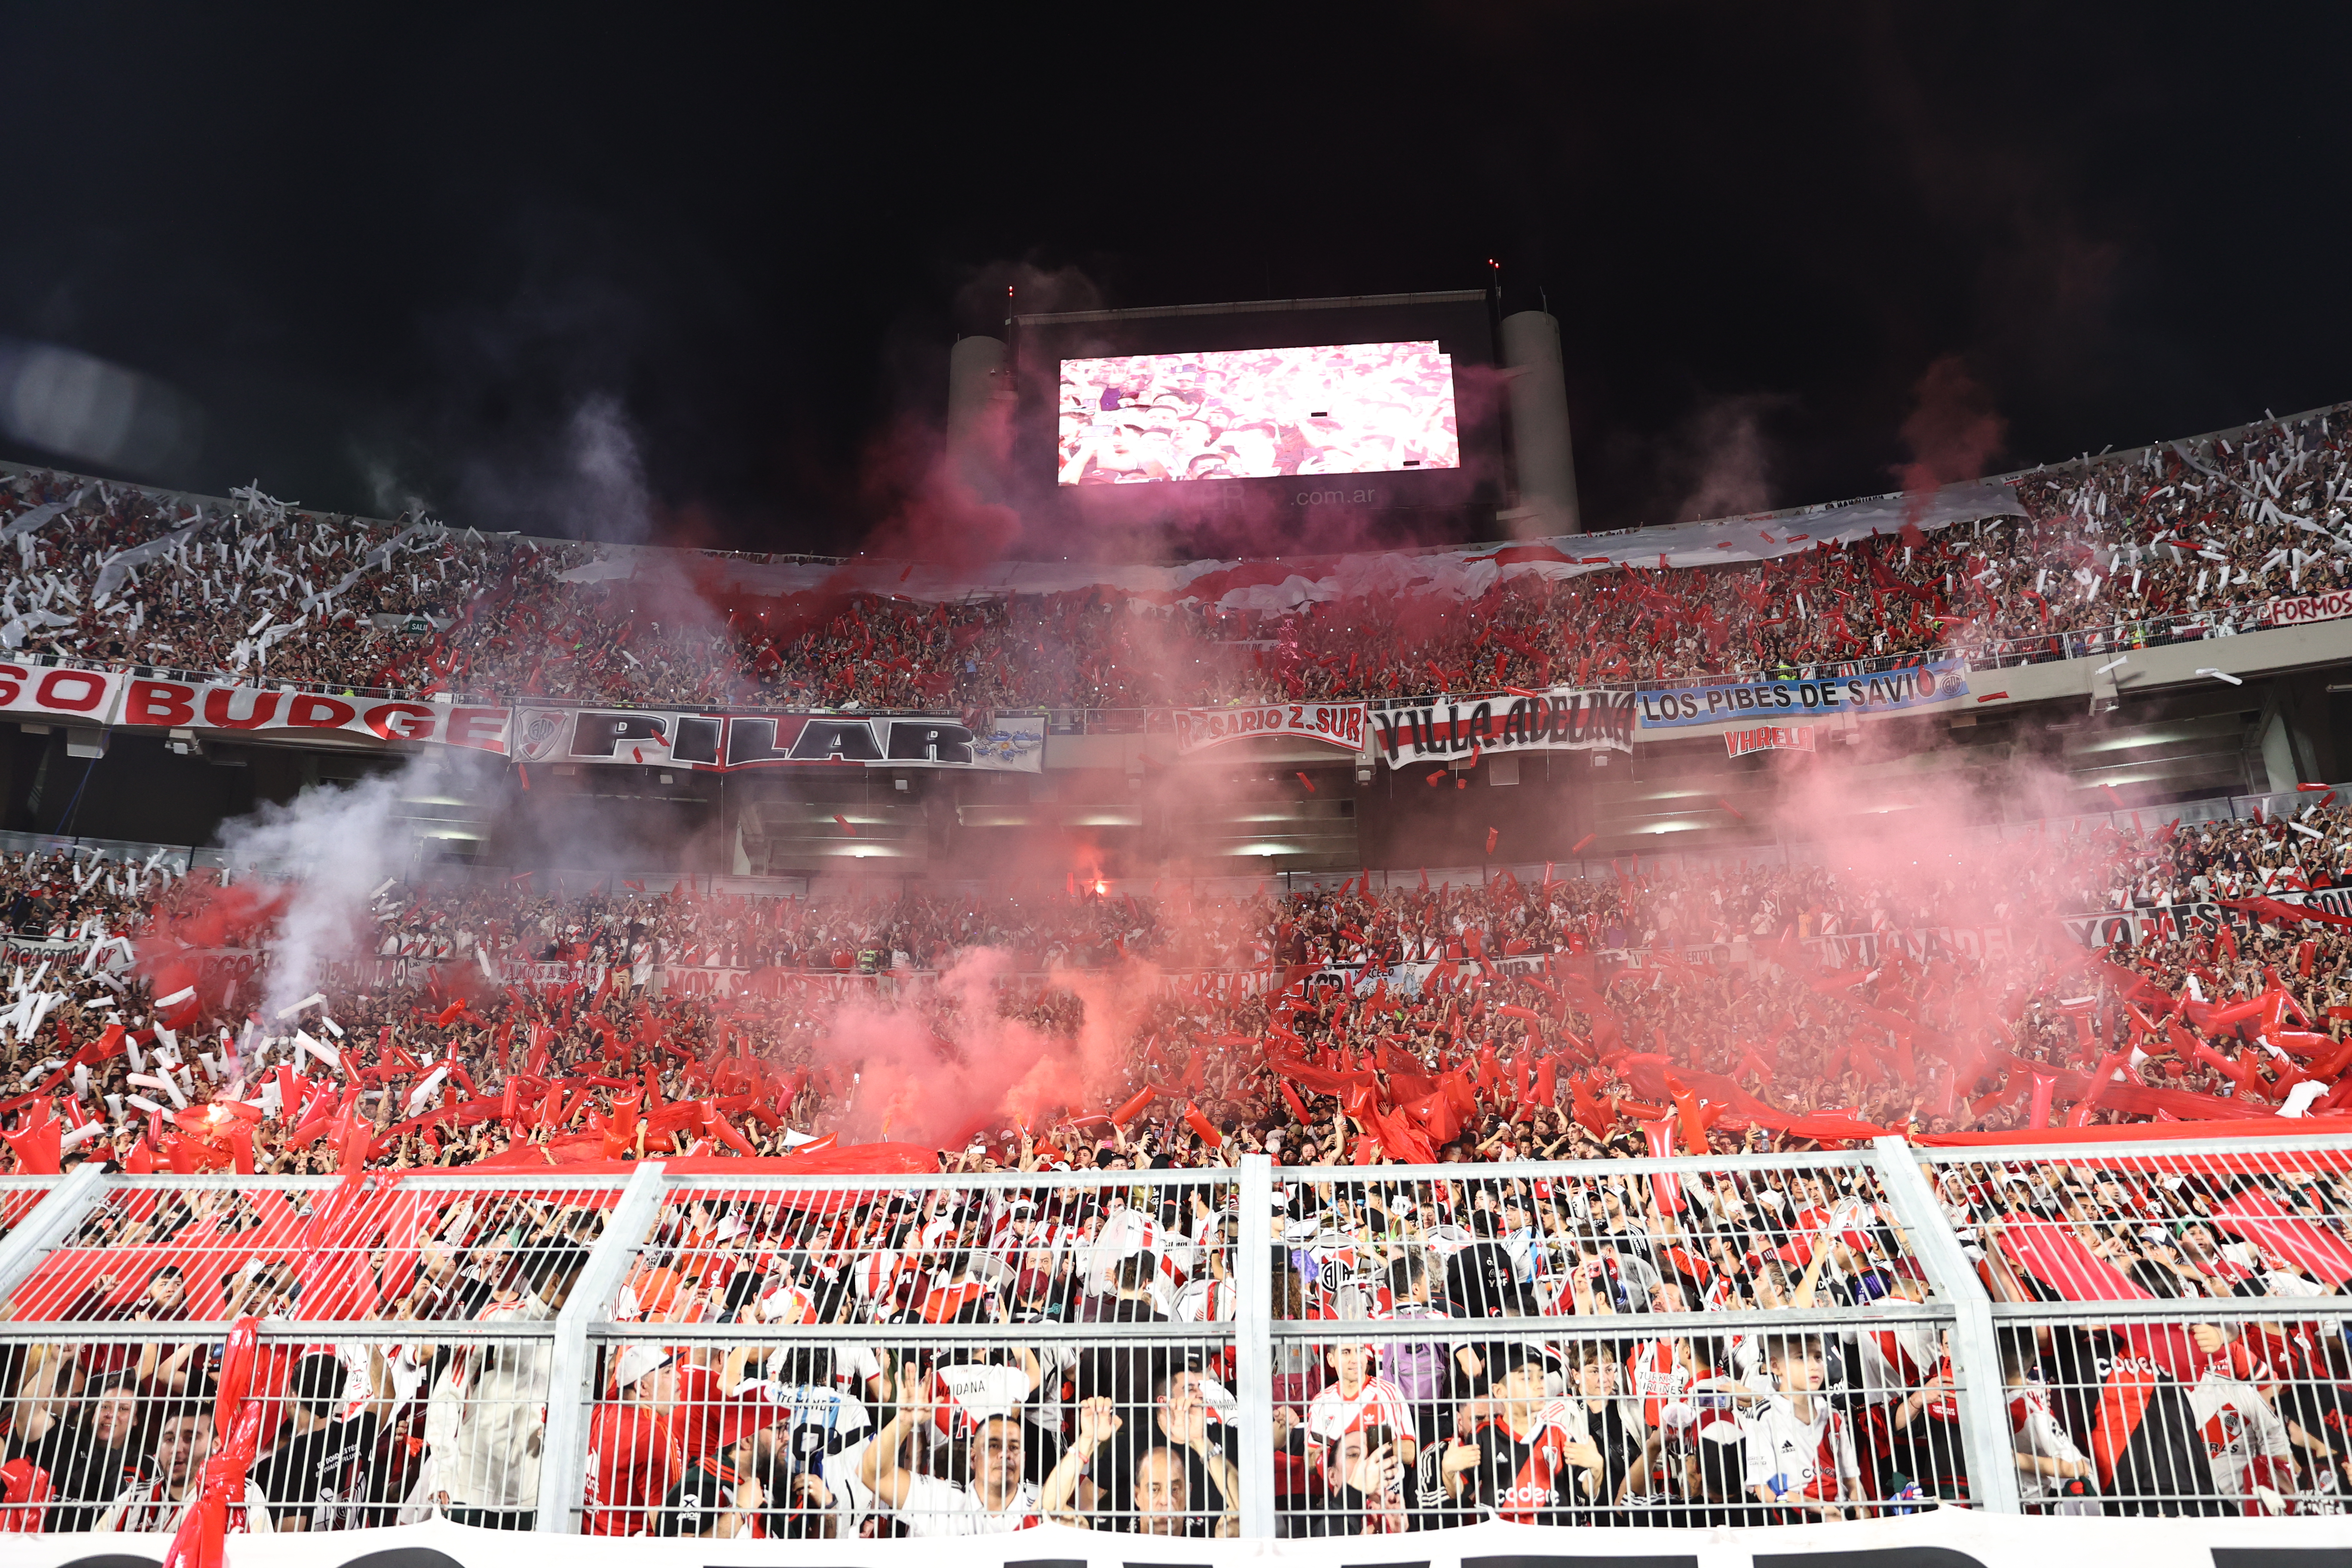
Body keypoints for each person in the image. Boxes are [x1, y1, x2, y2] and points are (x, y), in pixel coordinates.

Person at [859, 1354, 1042, 1534]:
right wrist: (904, 1421)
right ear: (973, 1456)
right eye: (993, 1445)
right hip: (941, 1482)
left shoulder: (1040, 1509)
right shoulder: (938, 1501)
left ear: (1024, 1458)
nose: (1005, 1454)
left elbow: (913, 1453)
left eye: (1014, 1447)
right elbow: (871, 1474)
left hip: (939, 1472)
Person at [1041, 1394, 1239, 1537]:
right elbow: (1049, 1511)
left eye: (1175, 1489)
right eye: (1154, 1489)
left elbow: (1245, 1514)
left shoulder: (1204, 1532)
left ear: (1188, 1493)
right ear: (1137, 1496)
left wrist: (1200, 1441)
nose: (1165, 1501)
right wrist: (1086, 1441)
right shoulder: (1113, 1532)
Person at [94, 1397, 274, 1536]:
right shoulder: (135, 1497)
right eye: (169, 1439)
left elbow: (258, 1557)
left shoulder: (240, 1494)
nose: (176, 1449)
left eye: (191, 1438)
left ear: (216, 1445)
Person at [1740, 1334, 1862, 1522]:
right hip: (1796, 1521)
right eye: (1801, 1357)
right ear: (1775, 1366)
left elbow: (1852, 1481)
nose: (1814, 1366)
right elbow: (1765, 1491)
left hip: (1842, 1516)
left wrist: (1864, 1514)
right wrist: (1823, 1509)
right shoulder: (1763, 1417)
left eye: (1818, 1357)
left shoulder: (1834, 1415)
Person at [584, 1343, 683, 1535]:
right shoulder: (653, 1435)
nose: (678, 1376)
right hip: (633, 1553)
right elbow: (668, 1523)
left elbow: (618, 1381)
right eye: (668, 1372)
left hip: (591, 1542)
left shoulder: (603, 1409)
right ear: (643, 1387)